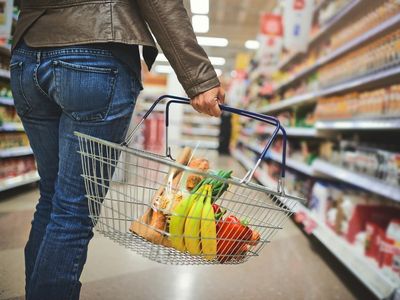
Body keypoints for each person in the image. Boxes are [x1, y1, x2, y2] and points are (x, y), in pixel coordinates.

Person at [11, 1, 226, 299]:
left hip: (26, 56)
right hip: (94, 54)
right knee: (72, 210)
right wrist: (199, 77)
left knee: (51, 198)